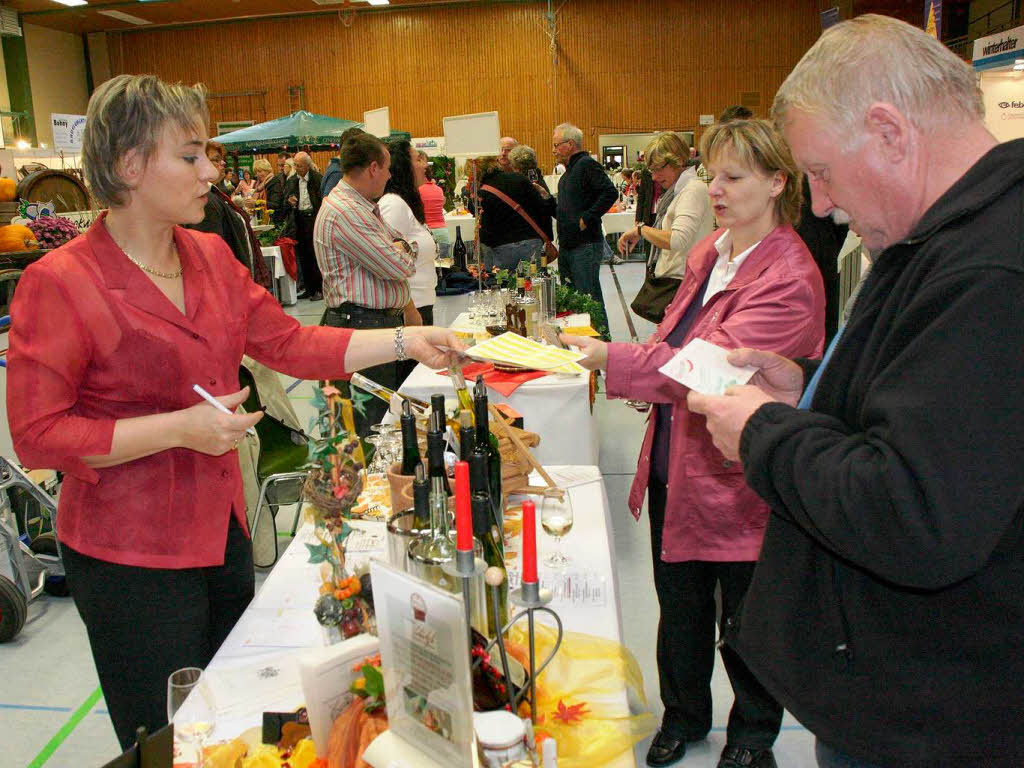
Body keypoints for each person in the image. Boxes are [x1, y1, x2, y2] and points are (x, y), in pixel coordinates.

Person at [6, 74, 464, 751]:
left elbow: (292, 342)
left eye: (207, 153)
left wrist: (407, 340)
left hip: (218, 537)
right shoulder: (62, 282)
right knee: (165, 738)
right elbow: (39, 435)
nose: (210, 172)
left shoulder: (211, 255)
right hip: (130, 558)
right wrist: (180, 430)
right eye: (189, 156)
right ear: (130, 165)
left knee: (229, 724)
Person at [686, 15, 1024, 768]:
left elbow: (914, 509)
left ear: (889, 132)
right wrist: (810, 391)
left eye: (823, 171)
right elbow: (929, 416)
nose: (823, 203)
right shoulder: (941, 238)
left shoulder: (988, 273)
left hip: (936, 718)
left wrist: (768, 434)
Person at [564, 118, 824, 768]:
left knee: (745, 619)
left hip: (740, 481)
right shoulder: (712, 252)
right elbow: (670, 340)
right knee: (677, 605)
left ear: (776, 182)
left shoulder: (788, 279)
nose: (716, 188)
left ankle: (753, 733)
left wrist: (605, 358)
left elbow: (701, 368)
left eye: (734, 176)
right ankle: (683, 716)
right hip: (674, 461)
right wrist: (635, 359)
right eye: (712, 174)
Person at [314, 132, 417, 434]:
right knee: (369, 429)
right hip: (360, 326)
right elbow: (398, 264)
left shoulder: (361, 207)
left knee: (381, 420)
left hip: (372, 325)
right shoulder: (347, 212)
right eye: (386, 168)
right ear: (373, 168)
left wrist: (400, 246)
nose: (389, 176)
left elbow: (396, 246)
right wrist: (404, 248)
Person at [617, 133, 713, 282]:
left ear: (678, 161)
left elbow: (677, 240)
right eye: (652, 171)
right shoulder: (677, 191)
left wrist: (641, 230)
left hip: (681, 282)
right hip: (674, 279)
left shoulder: (692, 190)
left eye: (658, 169)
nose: (654, 177)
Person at [552, 122, 617, 336]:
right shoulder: (567, 174)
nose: (553, 150)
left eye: (556, 145)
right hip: (569, 244)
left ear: (570, 144)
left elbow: (609, 192)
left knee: (589, 297)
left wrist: (587, 218)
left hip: (585, 244)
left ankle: (601, 342)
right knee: (573, 297)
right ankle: (583, 340)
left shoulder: (587, 165)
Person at [188, 142, 273, 290]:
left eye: (222, 159)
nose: (222, 163)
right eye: (216, 159)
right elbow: (212, 255)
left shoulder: (214, 195)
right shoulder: (205, 201)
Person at [378, 138, 438, 329]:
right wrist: (409, 310)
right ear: (404, 167)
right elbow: (388, 261)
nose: (424, 165)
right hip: (411, 310)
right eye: (418, 160)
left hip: (421, 304)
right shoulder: (393, 204)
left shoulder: (404, 204)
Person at [473, 155, 555, 271]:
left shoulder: (483, 193)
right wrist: (546, 238)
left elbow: (485, 227)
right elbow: (541, 209)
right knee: (535, 284)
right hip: (531, 242)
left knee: (507, 286)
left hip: (502, 247)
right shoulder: (519, 178)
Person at [284, 151, 324, 300]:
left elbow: (321, 200)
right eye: (295, 165)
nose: (296, 168)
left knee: (315, 255)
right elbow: (285, 200)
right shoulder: (292, 181)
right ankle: (308, 289)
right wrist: (290, 202)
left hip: (313, 219)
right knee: (303, 255)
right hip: (299, 220)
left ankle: (319, 289)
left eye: (299, 166)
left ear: (308, 166)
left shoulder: (317, 179)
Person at [417, 151, 450, 262]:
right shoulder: (439, 190)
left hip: (427, 233)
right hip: (442, 232)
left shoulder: (417, 191)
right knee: (445, 268)